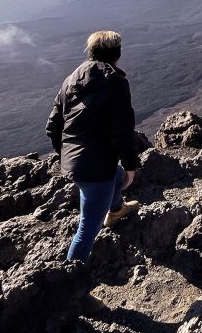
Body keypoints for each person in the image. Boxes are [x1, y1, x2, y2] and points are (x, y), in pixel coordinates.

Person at [46, 30, 141, 262]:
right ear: (117, 53)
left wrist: (67, 155)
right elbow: (123, 129)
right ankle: (71, 280)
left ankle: (116, 210)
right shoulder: (116, 83)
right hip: (95, 169)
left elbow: (52, 126)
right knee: (87, 230)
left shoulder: (71, 80)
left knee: (117, 178)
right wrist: (131, 165)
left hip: (75, 163)